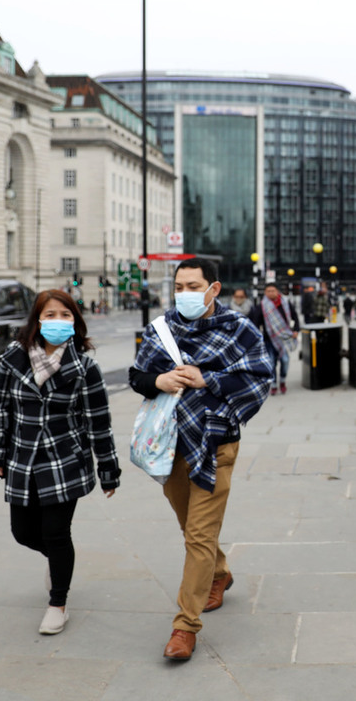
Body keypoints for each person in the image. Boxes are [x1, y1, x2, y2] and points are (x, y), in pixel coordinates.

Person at [128, 257, 274, 661]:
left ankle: (184, 627)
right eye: (179, 286)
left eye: (193, 286)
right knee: (190, 525)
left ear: (214, 289)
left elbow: (260, 378)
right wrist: (159, 380)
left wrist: (208, 378)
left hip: (215, 443)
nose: (185, 294)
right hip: (169, 445)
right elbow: (137, 376)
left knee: (198, 535)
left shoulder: (239, 330)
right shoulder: (161, 329)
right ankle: (220, 573)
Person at [0, 289, 120, 636]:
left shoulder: (86, 367)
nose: (57, 322)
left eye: (65, 315)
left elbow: (98, 420)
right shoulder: (13, 359)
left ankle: (58, 602)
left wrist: (108, 469)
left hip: (65, 460)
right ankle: (58, 564)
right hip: (22, 458)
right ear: (37, 321)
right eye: (50, 315)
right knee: (23, 532)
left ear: (76, 321)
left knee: (57, 533)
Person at [249, 282, 300, 395]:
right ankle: (274, 385)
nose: (271, 293)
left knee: (285, 361)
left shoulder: (285, 303)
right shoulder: (261, 307)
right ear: (265, 293)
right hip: (268, 339)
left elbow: (295, 316)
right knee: (271, 363)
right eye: (268, 291)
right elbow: (255, 323)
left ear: (277, 291)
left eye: (273, 291)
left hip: (284, 338)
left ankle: (282, 381)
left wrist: (296, 329)